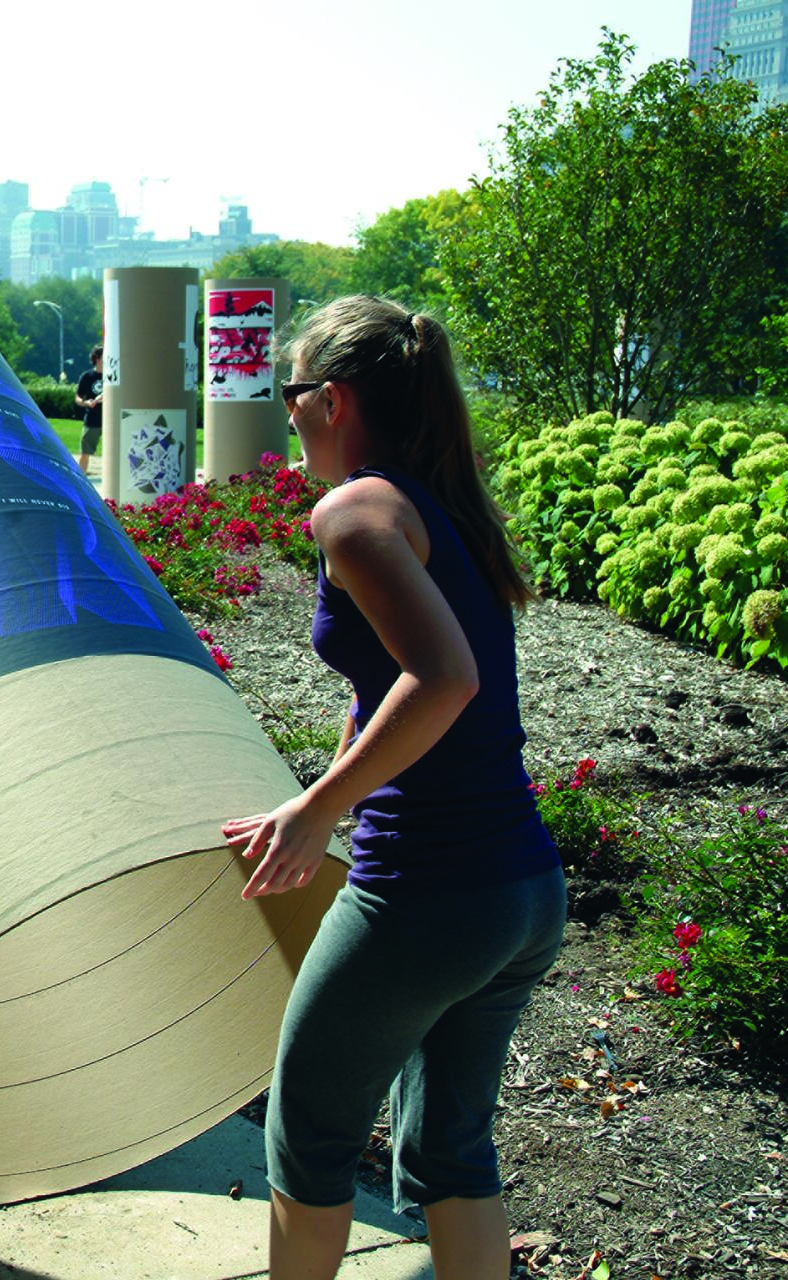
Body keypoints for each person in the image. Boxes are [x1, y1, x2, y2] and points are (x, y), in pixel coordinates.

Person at [221, 296, 562, 1280]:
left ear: (329, 398)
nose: (286, 413)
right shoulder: (432, 504)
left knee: (308, 1137)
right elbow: (385, 685)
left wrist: (319, 805)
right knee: (452, 1152)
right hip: (520, 892)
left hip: (430, 891)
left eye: (290, 393)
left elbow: (443, 676)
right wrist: (331, 798)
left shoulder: (357, 510)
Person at [73, 346, 105, 478]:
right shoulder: (87, 376)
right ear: (97, 358)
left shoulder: (112, 375)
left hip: (110, 420)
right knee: (85, 452)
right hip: (92, 420)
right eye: (105, 356)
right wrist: (85, 403)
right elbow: (78, 397)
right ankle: (80, 480)